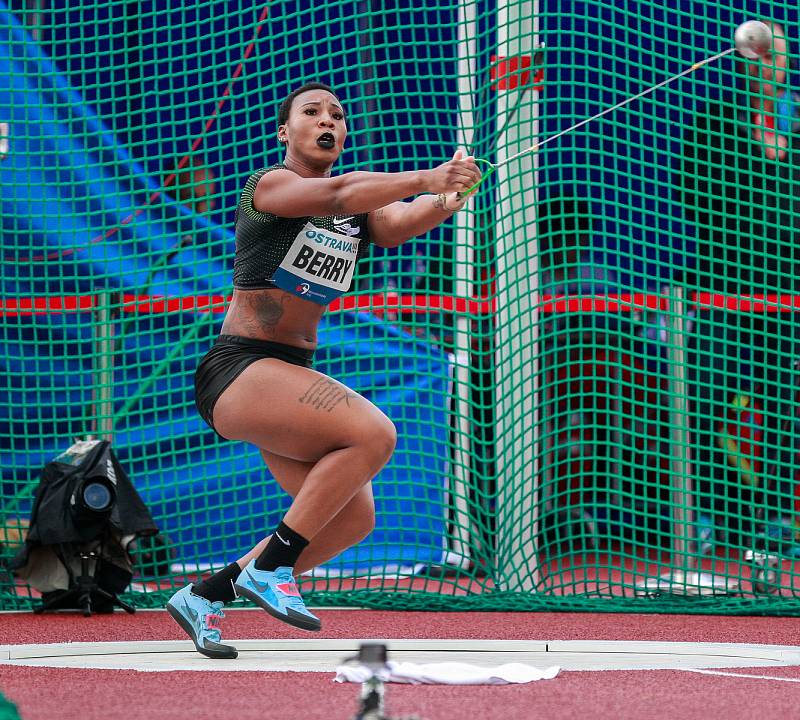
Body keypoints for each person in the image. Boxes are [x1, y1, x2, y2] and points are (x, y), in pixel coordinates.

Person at [166, 81, 481, 658]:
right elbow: (339, 194)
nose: (327, 120)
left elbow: (394, 222)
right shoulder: (272, 186)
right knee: (375, 433)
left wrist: (446, 196)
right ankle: (274, 568)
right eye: (311, 113)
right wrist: (425, 177)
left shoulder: (355, 206)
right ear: (285, 132)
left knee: (352, 517)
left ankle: (207, 593)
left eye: (336, 114)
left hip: (284, 374)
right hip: (240, 369)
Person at [679, 21, 800, 548]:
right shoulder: (714, 123)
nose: (768, 62)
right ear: (743, 58)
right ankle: (716, 516)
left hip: (787, 297)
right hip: (720, 291)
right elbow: (697, 196)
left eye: (777, 54)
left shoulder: (796, 130)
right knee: (703, 402)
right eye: (760, 53)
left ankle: (775, 514)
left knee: (783, 408)